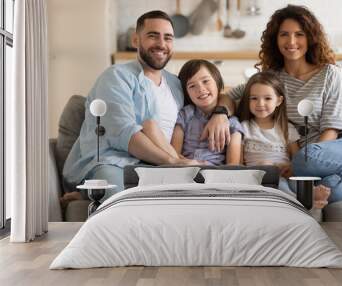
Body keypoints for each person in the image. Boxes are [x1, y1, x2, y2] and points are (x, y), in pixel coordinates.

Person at [223, 5, 342, 203]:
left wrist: (302, 162)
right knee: (329, 189)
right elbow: (229, 96)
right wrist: (220, 114)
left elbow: (331, 127)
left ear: (310, 38)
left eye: (299, 34)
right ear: (275, 39)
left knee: (306, 159)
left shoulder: (328, 74)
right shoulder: (271, 78)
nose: (291, 41)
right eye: (284, 34)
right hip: (311, 163)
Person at [61, 11, 229, 203]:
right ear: (135, 40)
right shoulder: (116, 77)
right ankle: (90, 192)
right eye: (152, 35)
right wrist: (173, 162)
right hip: (116, 163)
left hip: (160, 168)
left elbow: (213, 98)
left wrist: (220, 113)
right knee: (121, 201)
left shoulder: (176, 84)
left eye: (168, 38)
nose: (161, 44)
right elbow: (124, 133)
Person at [238, 71, 330, 208]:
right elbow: (238, 164)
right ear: (247, 100)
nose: (260, 103)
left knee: (294, 182)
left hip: (284, 173)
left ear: (279, 101)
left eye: (267, 98)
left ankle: (309, 195)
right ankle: (299, 202)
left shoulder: (286, 128)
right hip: (258, 176)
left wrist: (290, 168)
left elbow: (297, 158)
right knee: (278, 183)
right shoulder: (243, 128)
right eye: (254, 98)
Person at [171, 60, 243, 165]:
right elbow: (174, 154)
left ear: (217, 82)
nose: (200, 89)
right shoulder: (184, 115)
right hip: (186, 170)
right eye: (192, 86)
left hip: (216, 175)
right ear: (186, 93)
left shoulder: (232, 123)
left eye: (205, 81)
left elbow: (233, 165)